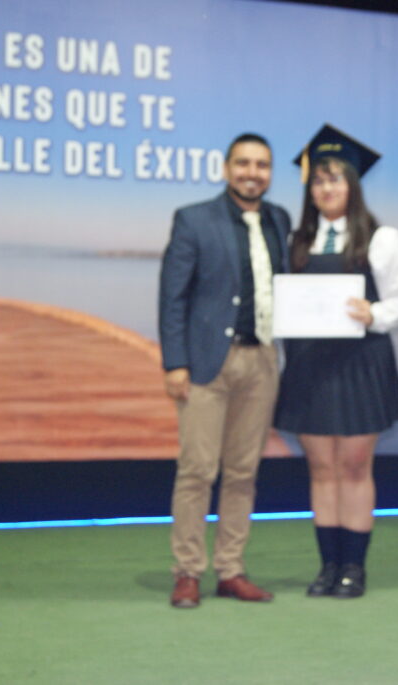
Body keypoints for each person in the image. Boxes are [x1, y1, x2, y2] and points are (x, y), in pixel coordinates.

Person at [274, 124, 398, 598]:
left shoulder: (381, 239)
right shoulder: (296, 241)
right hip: (309, 366)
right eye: (318, 180)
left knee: (354, 465)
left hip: (361, 362)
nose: (326, 188)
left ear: (352, 184)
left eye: (335, 179)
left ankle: (354, 567)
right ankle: (327, 566)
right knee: (320, 468)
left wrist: (373, 314)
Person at [158, 133, 291, 608]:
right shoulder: (193, 219)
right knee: (197, 470)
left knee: (243, 472)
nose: (252, 173)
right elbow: (173, 297)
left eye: (262, 165)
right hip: (206, 364)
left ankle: (231, 570)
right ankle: (187, 571)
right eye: (243, 163)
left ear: (270, 173)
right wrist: (175, 362)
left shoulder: (280, 220)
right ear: (225, 168)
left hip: (262, 362)